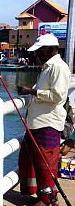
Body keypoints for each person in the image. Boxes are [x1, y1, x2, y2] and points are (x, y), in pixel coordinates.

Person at [17, 33, 71, 206]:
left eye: (39, 51)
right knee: (32, 161)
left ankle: (48, 200)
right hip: (37, 123)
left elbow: (57, 95)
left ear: (48, 50)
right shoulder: (47, 67)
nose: (36, 55)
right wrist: (29, 91)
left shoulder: (59, 67)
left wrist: (31, 92)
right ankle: (41, 196)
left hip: (48, 123)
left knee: (46, 165)